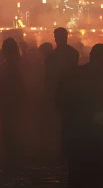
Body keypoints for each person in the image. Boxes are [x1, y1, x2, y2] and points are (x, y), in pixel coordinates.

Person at [60, 44, 103, 188]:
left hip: (80, 127)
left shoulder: (76, 73)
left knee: (79, 168)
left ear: (91, 55)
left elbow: (64, 99)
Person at [46, 27, 80, 161]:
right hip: (69, 91)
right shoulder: (73, 53)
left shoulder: (53, 56)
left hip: (60, 91)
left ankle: (61, 148)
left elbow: (49, 77)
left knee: (60, 122)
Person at [0, 38, 25, 173]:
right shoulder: (17, 62)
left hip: (9, 99)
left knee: (9, 128)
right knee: (12, 127)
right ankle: (12, 153)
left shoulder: (11, 65)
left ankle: (11, 155)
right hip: (12, 100)